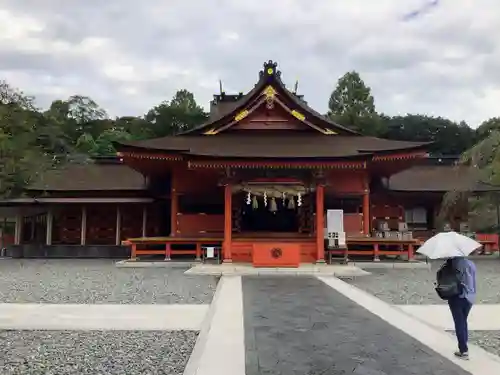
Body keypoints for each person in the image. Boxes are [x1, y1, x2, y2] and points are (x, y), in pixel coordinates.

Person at [446, 256, 477, 359]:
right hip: (469, 297)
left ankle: (464, 350)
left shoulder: (452, 263)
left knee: (459, 322)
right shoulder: (471, 264)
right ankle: (464, 346)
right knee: (463, 321)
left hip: (457, 296)